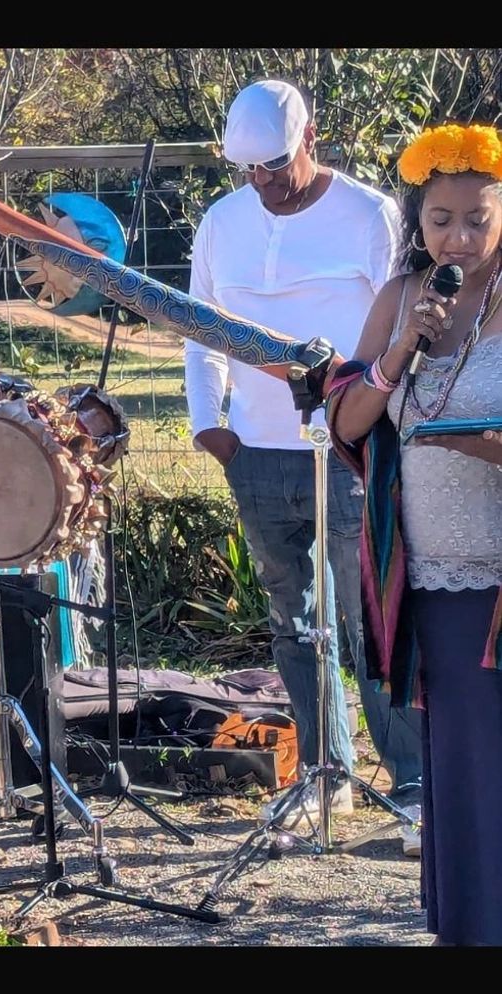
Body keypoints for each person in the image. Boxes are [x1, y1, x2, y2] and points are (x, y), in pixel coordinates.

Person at [185, 79, 423, 826]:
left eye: (275, 164)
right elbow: (199, 324)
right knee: (296, 623)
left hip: (353, 447)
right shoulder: (222, 222)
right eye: (248, 169)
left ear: (310, 137)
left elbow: (400, 324)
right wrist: (209, 426)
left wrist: (374, 421)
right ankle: (327, 774)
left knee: (372, 618)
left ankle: (414, 780)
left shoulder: (369, 214)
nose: (263, 182)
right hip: (255, 451)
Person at [328, 122, 502, 946]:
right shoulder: (403, 297)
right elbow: (349, 416)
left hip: (499, 581)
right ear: (418, 218)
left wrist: (480, 442)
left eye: (478, 217)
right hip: (430, 577)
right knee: (463, 769)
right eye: (441, 219)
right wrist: (400, 349)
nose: (458, 236)